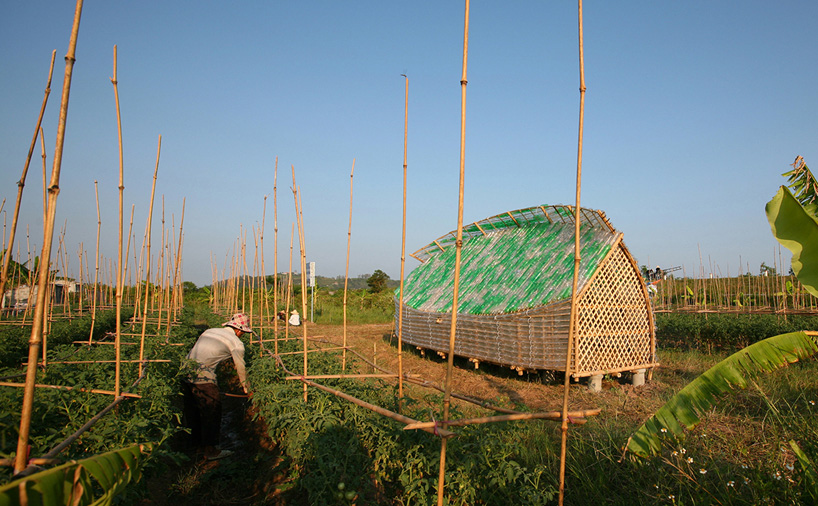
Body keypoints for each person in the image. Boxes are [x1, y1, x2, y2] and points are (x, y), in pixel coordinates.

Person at [183, 312, 253, 460]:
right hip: (204, 378)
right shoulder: (236, 343)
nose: (242, 336)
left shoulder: (209, 331)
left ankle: (195, 447)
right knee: (212, 413)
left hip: (184, 373)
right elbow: (241, 368)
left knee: (194, 413)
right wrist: (247, 389)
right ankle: (211, 451)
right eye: (244, 333)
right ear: (239, 330)